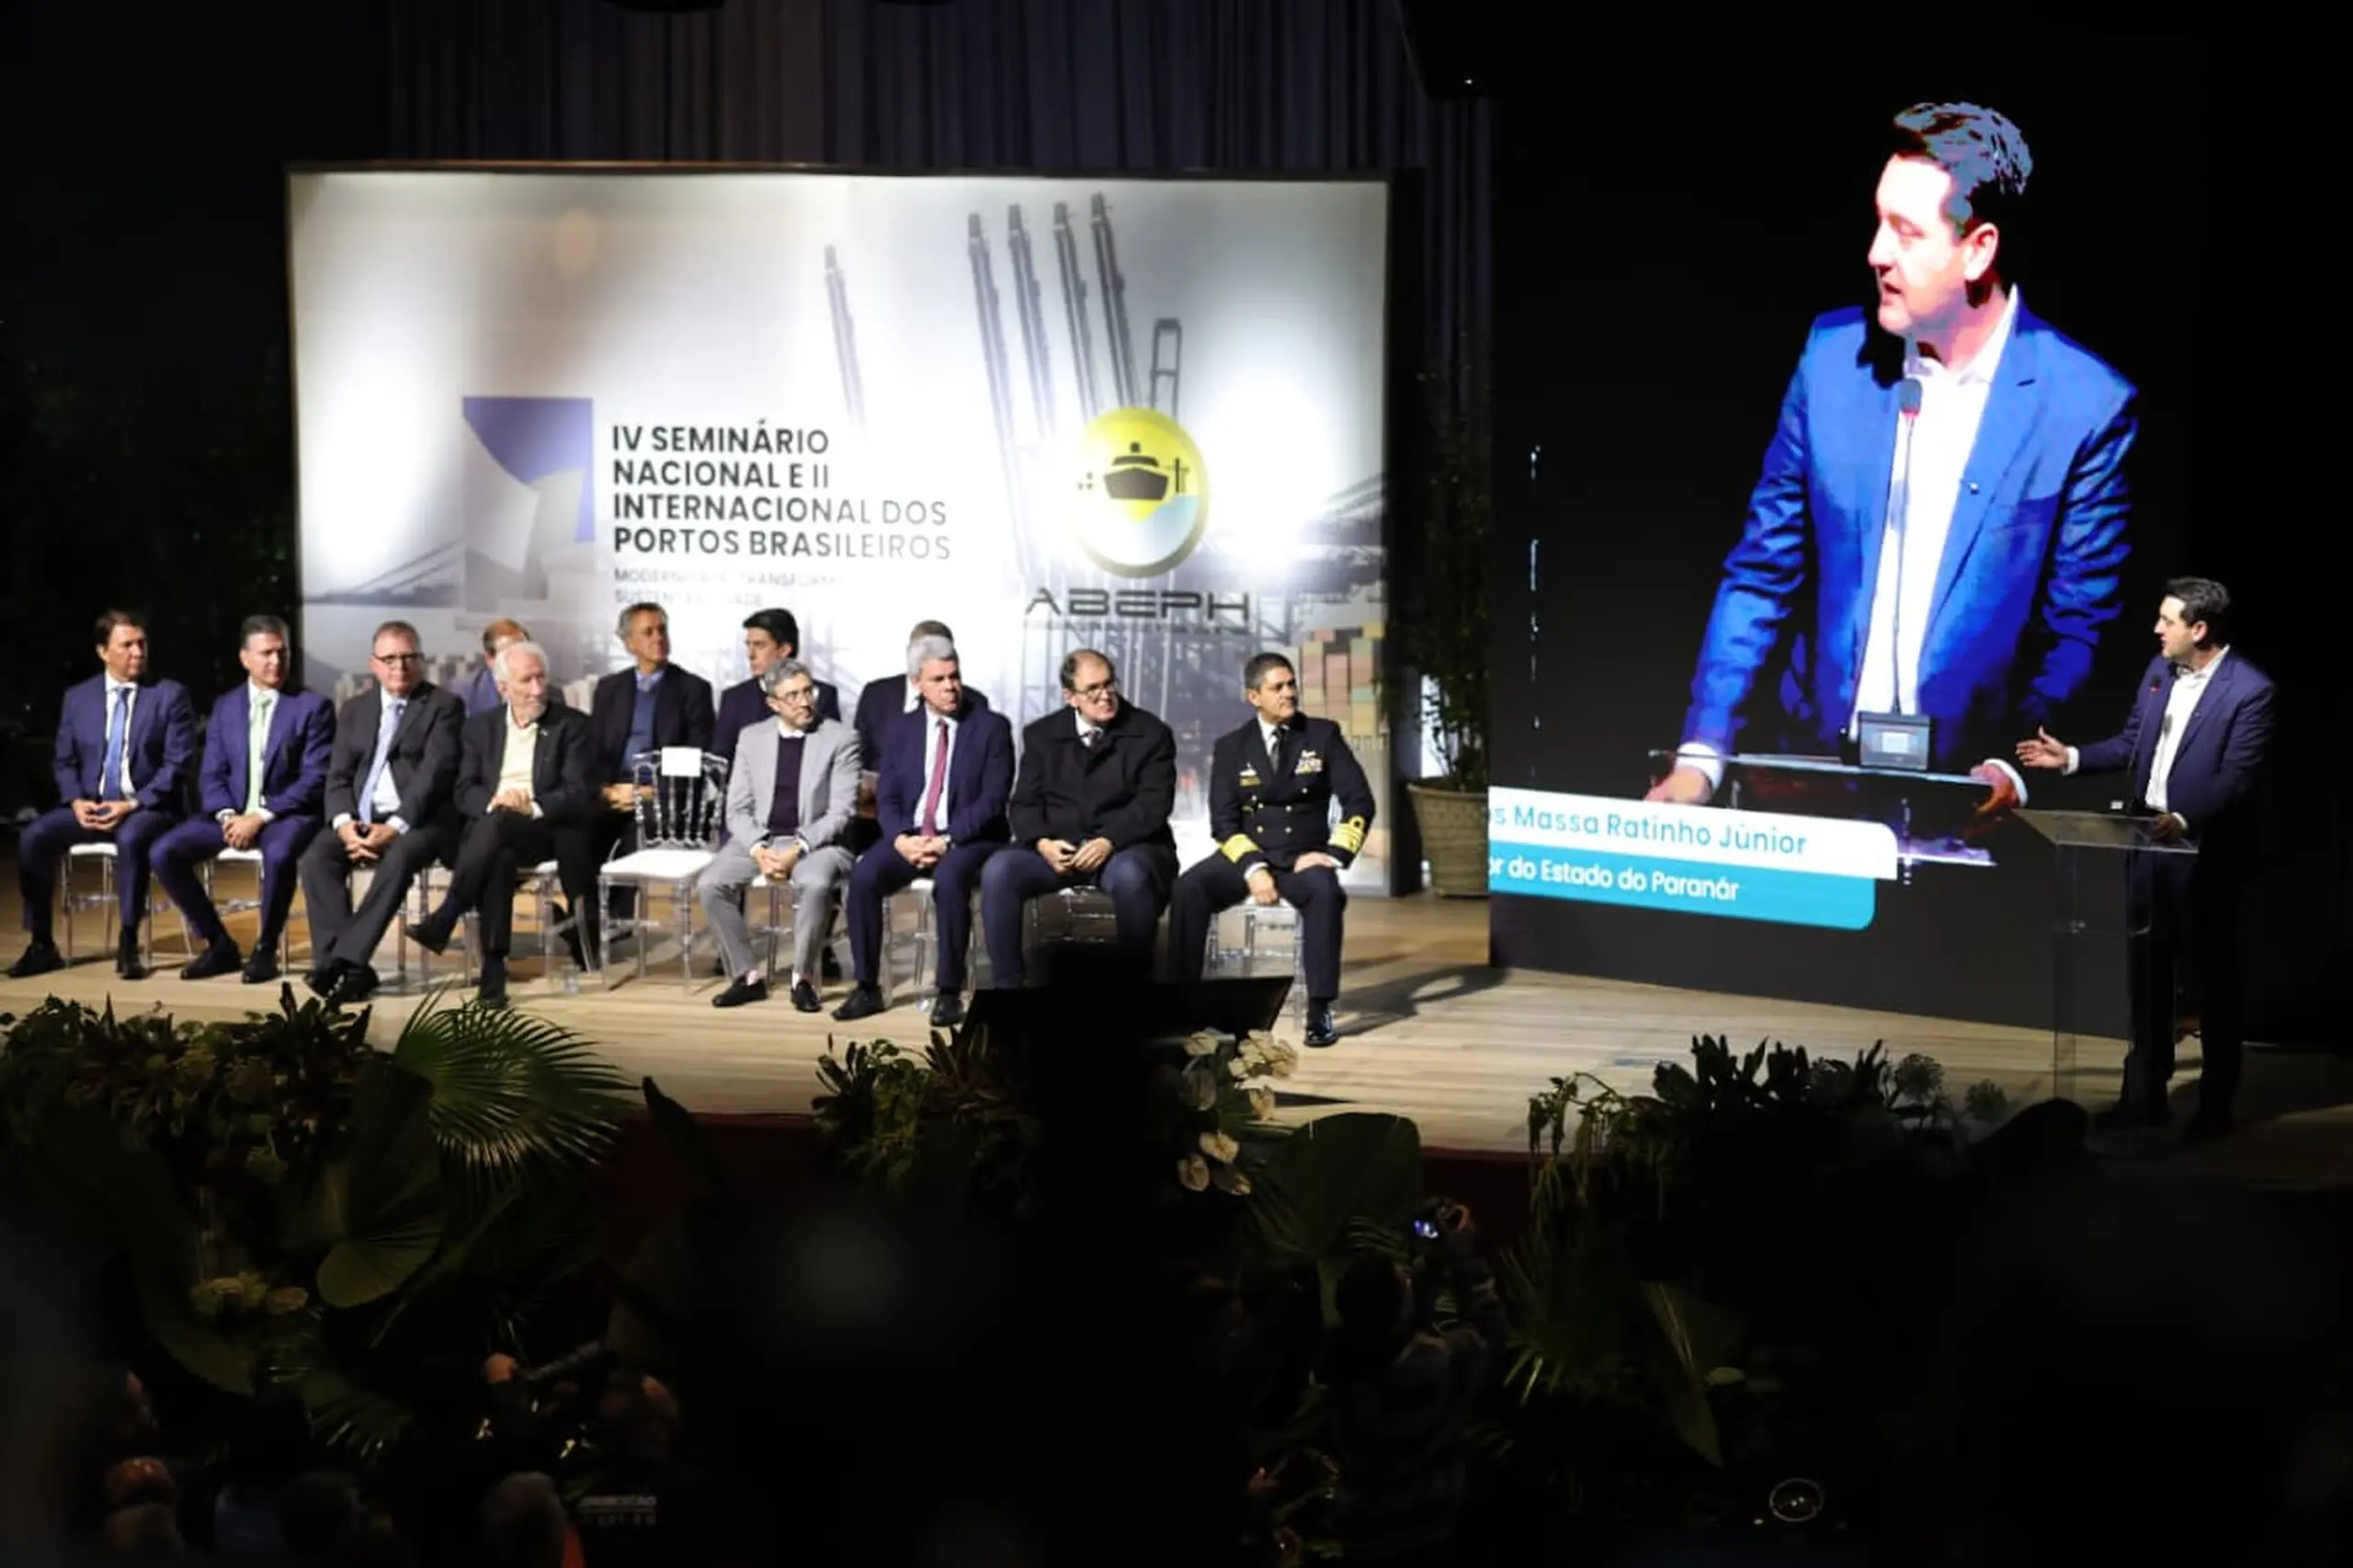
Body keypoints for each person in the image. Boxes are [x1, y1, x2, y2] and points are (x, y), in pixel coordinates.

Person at [1649, 101, 2135, 809]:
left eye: (1907, 232)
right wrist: (1703, 756)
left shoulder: (2085, 405)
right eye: (1879, 222)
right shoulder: (1831, 359)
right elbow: (1761, 572)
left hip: (1966, 800)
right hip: (1805, 777)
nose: (1877, 252)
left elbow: (2081, 629)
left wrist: (2014, 768)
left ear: (1978, 249)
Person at [2014, 577, 2274, 1139]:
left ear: (2198, 629)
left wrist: (2183, 818)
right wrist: (2072, 758)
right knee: (2148, 978)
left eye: (2167, 620)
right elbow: (2134, 743)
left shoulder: (2250, 691)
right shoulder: (2159, 672)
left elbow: (2236, 779)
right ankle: (2143, 1098)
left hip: (2204, 856)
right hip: (2145, 847)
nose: (2156, 629)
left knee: (2210, 984)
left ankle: (2213, 1109)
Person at [1165, 653, 1375, 1049]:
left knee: (1326, 892)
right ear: (1253, 696)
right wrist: (1253, 867)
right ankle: (1182, 1004)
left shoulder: (1322, 735)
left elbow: (1359, 801)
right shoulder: (1231, 747)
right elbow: (1223, 822)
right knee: (1187, 889)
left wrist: (1333, 853)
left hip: (1302, 855)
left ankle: (1319, 1007)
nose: (1289, 693)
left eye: (1291, 684)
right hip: (1247, 853)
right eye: (1278, 687)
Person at [404, 640, 600, 1006]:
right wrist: (496, 801)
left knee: (495, 829)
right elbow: (464, 790)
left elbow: (579, 791)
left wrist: (532, 806)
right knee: (498, 853)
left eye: (541, 678)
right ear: (503, 688)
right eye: (526, 680)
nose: (537, 689)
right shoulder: (480, 728)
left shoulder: (570, 726)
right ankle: (493, 973)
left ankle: (448, 914)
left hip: (545, 829)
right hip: (496, 829)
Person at [832, 633, 1013, 1028]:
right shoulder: (900, 729)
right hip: (910, 835)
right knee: (863, 875)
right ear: (918, 683)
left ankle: (948, 991)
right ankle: (867, 987)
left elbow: (992, 801)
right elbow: (888, 797)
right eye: (939, 679)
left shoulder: (991, 728)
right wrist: (900, 839)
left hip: (968, 838)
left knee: (950, 879)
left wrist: (946, 840)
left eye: (954, 676)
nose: (950, 686)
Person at [10, 608, 198, 981]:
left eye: (141, 644)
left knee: (131, 837)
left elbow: (178, 764)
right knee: (33, 837)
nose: (138, 652)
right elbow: (64, 760)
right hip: (92, 806)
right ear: (103, 652)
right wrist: (76, 801)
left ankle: (128, 941)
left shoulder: (169, 695)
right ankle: (42, 943)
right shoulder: (78, 698)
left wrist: (132, 803)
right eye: (127, 645)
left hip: (148, 805)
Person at [148, 614, 335, 983]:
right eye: (266, 653)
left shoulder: (313, 706)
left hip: (286, 815)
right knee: (163, 852)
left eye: (282, 653)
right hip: (231, 814)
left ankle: (265, 950)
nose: (276, 662)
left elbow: (315, 779)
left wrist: (261, 816)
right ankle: (219, 944)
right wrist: (228, 816)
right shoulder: (226, 706)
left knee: (279, 855)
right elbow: (211, 773)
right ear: (244, 658)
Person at [981, 649, 1177, 988]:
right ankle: (1008, 991)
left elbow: (1153, 804)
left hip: (1125, 848)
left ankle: (1133, 994)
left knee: (1132, 875)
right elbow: (1024, 803)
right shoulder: (1041, 735)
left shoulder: (1150, 733)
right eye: (1093, 690)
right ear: (1070, 697)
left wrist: (1109, 840)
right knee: (1000, 870)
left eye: (1109, 685)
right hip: (1059, 849)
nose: (1105, 696)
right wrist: (1042, 843)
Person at [298, 619, 465, 1006]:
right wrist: (344, 827)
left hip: (420, 822)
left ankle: (339, 963)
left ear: (421, 662)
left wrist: (394, 827)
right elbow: (337, 776)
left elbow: (432, 776)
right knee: (316, 858)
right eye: (389, 659)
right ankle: (351, 968)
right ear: (373, 664)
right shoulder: (355, 709)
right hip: (359, 818)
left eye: (408, 657)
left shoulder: (444, 707)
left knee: (402, 856)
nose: (399, 667)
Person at [699, 658, 861, 1012]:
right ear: (773, 703)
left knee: (816, 884)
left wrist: (798, 848)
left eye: (807, 691)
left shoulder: (841, 738)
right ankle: (747, 976)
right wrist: (759, 849)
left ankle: (802, 978)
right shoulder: (751, 738)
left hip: (818, 842)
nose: (804, 701)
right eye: (792, 696)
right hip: (761, 840)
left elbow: (841, 813)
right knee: (711, 885)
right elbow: (736, 809)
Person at [585, 601, 715, 882]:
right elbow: (593, 749)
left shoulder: (692, 689)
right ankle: (589, 922)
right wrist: (607, 792)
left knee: (636, 831)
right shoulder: (609, 688)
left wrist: (647, 791)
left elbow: (695, 756)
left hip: (662, 797)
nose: (658, 637)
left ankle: (622, 923)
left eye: (662, 630)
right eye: (648, 632)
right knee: (576, 830)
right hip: (614, 794)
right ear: (628, 643)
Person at [711, 607, 842, 768]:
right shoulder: (734, 698)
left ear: (784, 650)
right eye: (748, 645)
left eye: (759, 645)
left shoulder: (822, 696)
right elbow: (720, 761)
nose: (750, 654)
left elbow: (831, 758)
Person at [449, 618, 566, 718]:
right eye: (509, 654)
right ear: (489, 659)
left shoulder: (551, 695)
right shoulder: (462, 693)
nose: (520, 659)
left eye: (524, 650)